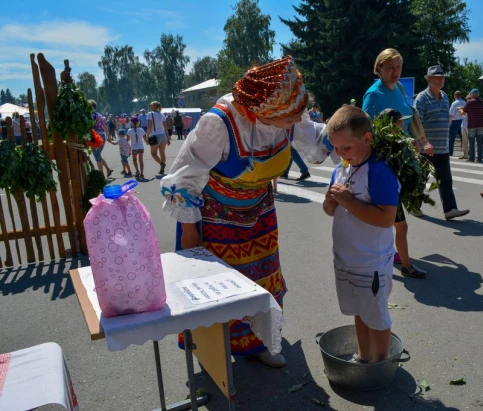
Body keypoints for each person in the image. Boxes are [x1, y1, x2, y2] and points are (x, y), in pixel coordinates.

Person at [160, 56, 336, 367]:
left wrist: (355, 139)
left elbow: (317, 138)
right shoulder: (220, 123)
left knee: (262, 278)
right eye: (289, 119)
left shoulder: (284, 111)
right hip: (215, 217)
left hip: (260, 211)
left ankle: (260, 342)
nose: (296, 123)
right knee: (217, 285)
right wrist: (191, 233)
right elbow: (185, 177)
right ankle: (213, 351)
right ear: (265, 112)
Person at [323, 106, 399, 363]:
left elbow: (386, 219)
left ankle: (380, 362)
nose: (340, 154)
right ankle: (363, 355)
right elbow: (330, 211)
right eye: (335, 148)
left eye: (346, 148)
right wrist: (331, 203)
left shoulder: (378, 172)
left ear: (367, 139)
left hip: (370, 263)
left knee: (376, 316)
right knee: (359, 311)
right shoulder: (341, 169)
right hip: (346, 260)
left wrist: (347, 201)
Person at [361, 47, 429, 277]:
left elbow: (408, 119)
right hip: (385, 163)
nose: (395, 71)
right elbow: (366, 132)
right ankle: (405, 265)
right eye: (390, 67)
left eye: (399, 66)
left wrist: (417, 147)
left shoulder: (399, 88)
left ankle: (391, 252)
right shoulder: (373, 95)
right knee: (397, 220)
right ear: (379, 68)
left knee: (391, 216)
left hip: (403, 158)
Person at [414, 65, 470, 220]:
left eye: (442, 77)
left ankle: (450, 210)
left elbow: (446, 117)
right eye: (437, 77)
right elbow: (416, 123)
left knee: (445, 180)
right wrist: (424, 142)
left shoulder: (445, 96)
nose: (441, 79)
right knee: (421, 179)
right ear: (429, 79)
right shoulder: (422, 98)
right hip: (426, 149)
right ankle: (414, 206)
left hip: (442, 148)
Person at [462, 88, 483, 163]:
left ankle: (471, 158)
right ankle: (479, 158)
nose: (470, 95)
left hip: (471, 125)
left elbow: (463, 113)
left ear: (473, 94)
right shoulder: (482, 103)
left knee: (471, 142)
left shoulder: (469, 103)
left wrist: (460, 110)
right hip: (480, 125)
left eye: (470, 94)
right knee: (479, 142)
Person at [89, 101, 113, 177]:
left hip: (95, 137)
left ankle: (101, 176)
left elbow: (90, 127)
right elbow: (105, 126)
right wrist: (108, 137)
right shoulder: (99, 114)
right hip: (102, 136)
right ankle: (108, 169)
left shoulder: (90, 115)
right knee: (98, 154)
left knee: (97, 157)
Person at [146, 100, 170, 175]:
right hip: (163, 135)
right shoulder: (162, 115)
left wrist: (147, 136)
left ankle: (161, 164)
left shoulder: (150, 114)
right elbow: (165, 127)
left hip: (155, 136)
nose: (150, 107)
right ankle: (162, 167)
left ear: (154, 106)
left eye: (151, 105)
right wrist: (168, 137)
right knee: (162, 153)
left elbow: (149, 127)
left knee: (153, 153)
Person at [449, 90, 465, 156]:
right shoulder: (465, 102)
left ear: (455, 96)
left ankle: (450, 152)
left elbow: (451, 114)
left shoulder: (454, 103)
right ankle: (466, 152)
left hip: (455, 121)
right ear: (461, 96)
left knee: (451, 137)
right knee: (463, 138)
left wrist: (449, 122)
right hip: (463, 121)